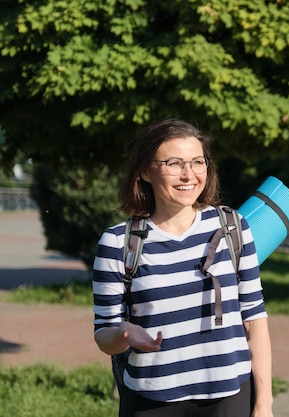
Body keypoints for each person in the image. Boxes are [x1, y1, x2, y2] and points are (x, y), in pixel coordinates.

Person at [92, 118, 273, 417]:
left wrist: (264, 404)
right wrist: (123, 334)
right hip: (151, 401)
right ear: (144, 172)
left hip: (229, 398)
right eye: (174, 163)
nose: (189, 175)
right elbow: (104, 335)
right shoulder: (117, 242)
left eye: (197, 162)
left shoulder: (232, 227)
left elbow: (254, 318)